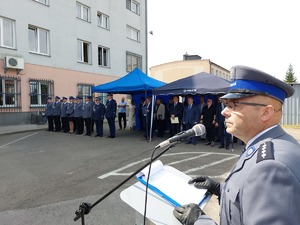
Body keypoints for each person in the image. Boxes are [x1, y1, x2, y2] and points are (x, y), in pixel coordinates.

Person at [173, 65, 300, 225]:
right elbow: (250, 195)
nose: (224, 111)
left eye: (234, 106)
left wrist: (200, 222)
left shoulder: (270, 167)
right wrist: (220, 189)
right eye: (226, 104)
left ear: (266, 113)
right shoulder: (264, 144)